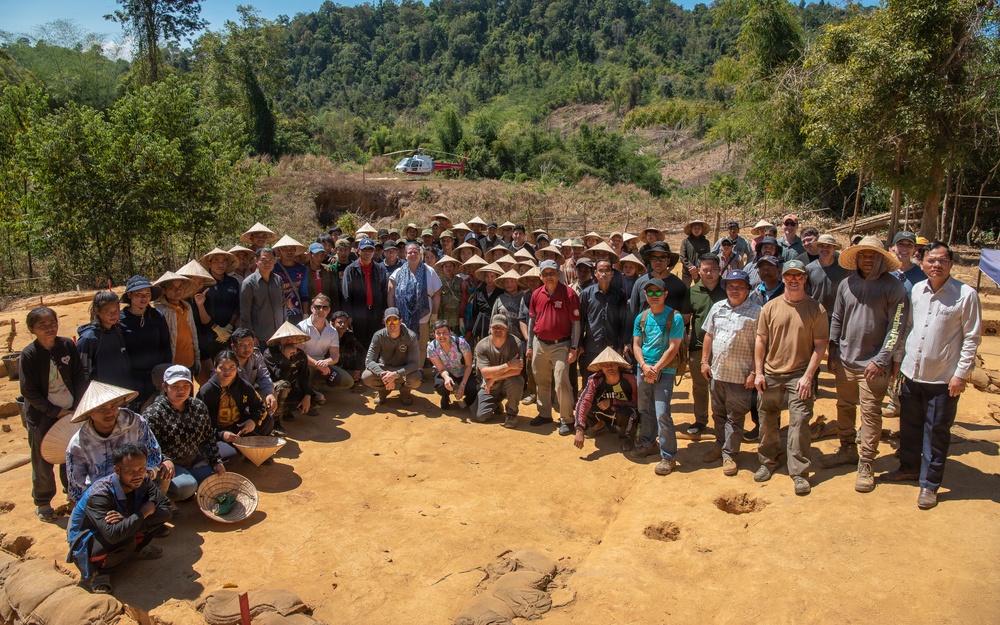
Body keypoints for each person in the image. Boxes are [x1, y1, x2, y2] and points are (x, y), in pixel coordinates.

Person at [883, 241, 981, 509]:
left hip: (943, 378)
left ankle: (929, 485)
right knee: (910, 428)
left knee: (936, 432)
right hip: (912, 374)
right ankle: (909, 468)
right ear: (921, 262)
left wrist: (960, 375)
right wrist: (899, 362)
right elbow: (909, 328)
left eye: (943, 261)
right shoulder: (917, 289)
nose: (936, 265)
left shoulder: (965, 294)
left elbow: (971, 338)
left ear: (951, 264)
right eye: (931, 260)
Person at [823, 236, 907, 493]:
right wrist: (833, 348)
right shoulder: (847, 284)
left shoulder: (894, 289)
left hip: (873, 365)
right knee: (845, 406)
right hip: (845, 360)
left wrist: (881, 360)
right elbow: (837, 317)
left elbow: (896, 328)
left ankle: (867, 462)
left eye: (873, 256)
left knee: (870, 414)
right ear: (856, 258)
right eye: (863, 256)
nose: (868, 260)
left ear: (882, 259)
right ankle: (847, 448)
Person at [753, 259, 828, 496]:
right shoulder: (770, 307)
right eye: (789, 276)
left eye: (798, 276)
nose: (793, 280)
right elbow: (761, 340)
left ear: (805, 279)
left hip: (799, 375)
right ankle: (768, 461)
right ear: (783, 278)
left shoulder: (816, 309)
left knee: (799, 423)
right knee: (767, 420)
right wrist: (759, 372)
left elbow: (820, 346)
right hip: (771, 372)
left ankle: (799, 472)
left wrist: (808, 377)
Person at [67, 442, 172, 595]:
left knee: (152, 522)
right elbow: (112, 534)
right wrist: (141, 513)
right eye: (130, 470)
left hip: (118, 525)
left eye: (141, 469)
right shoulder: (100, 493)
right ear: (117, 470)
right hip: (88, 536)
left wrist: (128, 518)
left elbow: (166, 510)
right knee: (126, 537)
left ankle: (134, 552)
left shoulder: (144, 480)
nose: (137, 475)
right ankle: (100, 572)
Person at [19, 307, 86, 522]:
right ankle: (43, 501)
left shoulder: (66, 345)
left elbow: (78, 376)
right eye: (42, 325)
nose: (49, 328)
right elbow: (28, 391)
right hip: (42, 416)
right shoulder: (29, 354)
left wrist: (77, 406)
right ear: (32, 329)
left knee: (72, 454)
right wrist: (54, 412)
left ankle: (73, 492)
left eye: (52, 323)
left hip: (71, 411)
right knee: (43, 458)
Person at [700, 270, 761, 476]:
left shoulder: (756, 312)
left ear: (747, 289)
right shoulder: (717, 307)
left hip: (741, 376)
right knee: (718, 413)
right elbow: (709, 334)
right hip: (717, 373)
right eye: (731, 286)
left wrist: (754, 371)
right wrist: (704, 362)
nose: (734, 290)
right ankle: (719, 444)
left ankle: (730, 454)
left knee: (735, 417)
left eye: (739, 286)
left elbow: (761, 345)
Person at [66, 381, 166, 503]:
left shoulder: (136, 423)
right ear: (90, 412)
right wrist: (94, 506)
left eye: (113, 406)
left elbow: (153, 454)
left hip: (138, 484)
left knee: (160, 512)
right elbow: (77, 486)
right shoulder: (78, 444)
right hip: (102, 495)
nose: (109, 412)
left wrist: (145, 474)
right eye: (101, 408)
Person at [627, 278, 685, 476]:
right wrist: (644, 366)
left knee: (662, 412)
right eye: (649, 292)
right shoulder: (641, 318)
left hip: (665, 371)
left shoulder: (674, 318)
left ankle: (668, 456)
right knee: (645, 409)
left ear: (665, 294)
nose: (653, 296)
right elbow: (636, 344)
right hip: (643, 369)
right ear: (645, 295)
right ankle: (647, 443)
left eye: (657, 292)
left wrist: (656, 368)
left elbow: (673, 347)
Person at [143, 365, 224, 501]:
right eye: (175, 386)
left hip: (193, 459)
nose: (181, 390)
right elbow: (147, 446)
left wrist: (216, 460)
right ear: (165, 387)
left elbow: (208, 437)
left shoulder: (198, 406)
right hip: (167, 466)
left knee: (217, 480)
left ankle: (192, 475)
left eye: (186, 386)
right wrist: (164, 459)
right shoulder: (154, 413)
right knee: (187, 488)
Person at [527, 260, 582, 435]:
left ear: (558, 274)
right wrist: (529, 345)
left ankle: (567, 419)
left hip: (561, 345)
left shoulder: (569, 294)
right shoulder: (536, 294)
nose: (549, 276)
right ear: (540, 276)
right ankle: (544, 414)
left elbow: (576, 323)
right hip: (540, 343)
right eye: (545, 273)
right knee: (541, 380)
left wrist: (573, 347)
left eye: (552, 273)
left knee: (561, 381)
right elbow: (531, 320)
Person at [680, 254, 727, 439]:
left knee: (721, 387)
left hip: (724, 349)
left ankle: (721, 421)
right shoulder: (692, 292)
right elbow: (685, 319)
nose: (709, 273)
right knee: (699, 386)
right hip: (698, 347)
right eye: (705, 269)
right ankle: (700, 421)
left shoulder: (727, 289)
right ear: (698, 270)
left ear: (719, 270)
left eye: (713, 269)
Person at [198, 350, 272, 459]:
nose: (227, 372)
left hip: (238, 427)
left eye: (232, 368)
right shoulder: (206, 391)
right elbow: (200, 424)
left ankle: (252, 453)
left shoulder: (243, 386)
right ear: (215, 368)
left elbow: (259, 406)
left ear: (237, 368)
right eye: (222, 368)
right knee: (229, 456)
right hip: (216, 432)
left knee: (267, 420)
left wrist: (253, 421)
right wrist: (221, 434)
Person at [388, 242, 442, 375]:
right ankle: (404, 371)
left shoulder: (430, 271)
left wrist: (434, 315)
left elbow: (437, 294)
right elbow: (390, 293)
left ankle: (418, 370)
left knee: (421, 345)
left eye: (415, 252)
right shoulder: (398, 272)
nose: (412, 254)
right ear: (405, 255)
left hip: (423, 316)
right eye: (409, 252)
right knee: (403, 344)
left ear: (420, 254)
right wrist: (392, 314)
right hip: (403, 318)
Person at [572, 347, 638, 451]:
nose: (609, 367)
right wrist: (579, 428)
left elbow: (635, 403)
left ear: (618, 365)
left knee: (626, 413)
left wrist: (613, 402)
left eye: (612, 363)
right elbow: (583, 402)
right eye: (605, 365)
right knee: (587, 403)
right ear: (601, 367)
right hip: (605, 411)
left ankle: (627, 436)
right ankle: (598, 426)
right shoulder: (595, 380)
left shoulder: (630, 379)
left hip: (624, 412)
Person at [119, 276, 171, 405]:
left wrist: (166, 371)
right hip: (132, 379)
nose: (144, 298)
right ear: (129, 295)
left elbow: (165, 345)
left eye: (148, 294)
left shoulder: (157, 316)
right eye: (139, 294)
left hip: (156, 377)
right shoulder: (120, 320)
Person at [195, 248, 242, 384]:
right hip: (207, 335)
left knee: (228, 369)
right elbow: (201, 310)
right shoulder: (203, 284)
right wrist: (216, 329)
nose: (220, 264)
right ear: (209, 264)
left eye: (223, 261)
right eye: (216, 261)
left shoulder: (233, 282)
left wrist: (229, 327)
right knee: (211, 373)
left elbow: (236, 307)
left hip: (228, 334)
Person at [577, 259, 628, 377]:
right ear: (595, 273)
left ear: (612, 273)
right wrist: (579, 345)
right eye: (600, 271)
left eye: (607, 271)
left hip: (612, 347)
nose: (604, 274)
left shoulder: (619, 294)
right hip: (591, 347)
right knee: (589, 382)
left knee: (611, 381)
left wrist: (620, 346)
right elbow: (581, 320)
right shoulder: (587, 294)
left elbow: (623, 322)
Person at [363, 307, 421, 406]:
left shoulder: (411, 337)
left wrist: (395, 374)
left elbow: (415, 364)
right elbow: (369, 361)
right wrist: (383, 374)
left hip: (403, 370)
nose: (392, 324)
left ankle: (405, 392)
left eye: (395, 320)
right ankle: (383, 391)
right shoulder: (378, 336)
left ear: (400, 321)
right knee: (366, 376)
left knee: (416, 377)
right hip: (385, 369)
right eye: (388, 321)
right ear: (384, 322)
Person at [473, 315, 525, 426]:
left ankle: (511, 414)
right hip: (489, 385)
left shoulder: (515, 343)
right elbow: (485, 373)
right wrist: (509, 365)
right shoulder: (482, 345)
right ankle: (496, 403)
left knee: (515, 381)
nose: (498, 330)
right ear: (490, 328)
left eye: (501, 328)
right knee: (481, 416)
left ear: (507, 329)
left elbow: (517, 371)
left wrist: (494, 377)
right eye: (495, 327)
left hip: (504, 382)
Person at [77, 291, 133, 390]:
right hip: (102, 395)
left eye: (116, 311)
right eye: (107, 311)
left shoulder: (117, 331)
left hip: (121, 390)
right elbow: (82, 374)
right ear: (97, 311)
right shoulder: (89, 338)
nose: (113, 315)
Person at [264, 322, 317, 427]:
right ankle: (275, 422)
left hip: (291, 390)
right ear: (279, 340)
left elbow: (304, 377)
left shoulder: (300, 355)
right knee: (284, 384)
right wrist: (286, 356)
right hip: (273, 392)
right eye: (286, 338)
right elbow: (280, 377)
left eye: (292, 338)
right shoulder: (269, 354)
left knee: (318, 399)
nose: (290, 341)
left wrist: (307, 395)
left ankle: (286, 409)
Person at [342, 238, 390, 349]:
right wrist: (348, 315)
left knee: (375, 343)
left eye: (370, 250)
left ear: (374, 251)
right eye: (364, 250)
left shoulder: (380, 269)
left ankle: (373, 365)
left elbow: (384, 292)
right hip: (358, 313)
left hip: (376, 313)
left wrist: (384, 312)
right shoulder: (351, 269)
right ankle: (361, 366)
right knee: (360, 343)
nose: (367, 252)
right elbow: (346, 294)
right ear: (359, 251)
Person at [298, 294, 347, 393]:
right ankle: (307, 389)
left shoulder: (332, 331)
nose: (321, 310)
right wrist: (317, 364)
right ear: (311, 308)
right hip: (304, 365)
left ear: (328, 310)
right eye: (317, 307)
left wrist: (326, 362)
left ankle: (317, 387)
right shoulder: (301, 327)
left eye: (324, 307)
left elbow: (335, 356)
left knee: (347, 381)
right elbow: (299, 354)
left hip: (321, 365)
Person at [153, 272, 200, 374]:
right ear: (164, 291)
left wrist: (197, 357)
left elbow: (193, 332)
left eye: (180, 287)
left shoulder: (187, 306)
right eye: (172, 288)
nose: (178, 290)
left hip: (189, 360)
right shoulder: (161, 310)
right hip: (172, 363)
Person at [239, 247, 285, 346]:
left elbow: (283, 306)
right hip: (260, 339)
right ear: (256, 260)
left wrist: (285, 330)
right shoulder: (248, 283)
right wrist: (251, 336)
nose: (267, 263)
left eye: (271, 260)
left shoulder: (278, 280)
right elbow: (245, 313)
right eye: (263, 260)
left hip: (279, 335)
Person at [229, 327, 279, 417]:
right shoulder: (228, 361)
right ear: (233, 347)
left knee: (270, 393)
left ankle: (269, 421)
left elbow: (264, 376)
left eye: (250, 344)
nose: (247, 349)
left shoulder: (255, 355)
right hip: (234, 397)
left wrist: (269, 393)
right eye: (242, 345)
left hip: (250, 393)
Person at [629, 241, 686, 319]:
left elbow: (684, 316)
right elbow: (633, 313)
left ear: (668, 261)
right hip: (644, 330)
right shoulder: (639, 283)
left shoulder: (679, 286)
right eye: (654, 258)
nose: (658, 262)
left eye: (662, 258)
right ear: (650, 260)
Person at [427, 319, 475, 410]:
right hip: (446, 371)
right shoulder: (431, 348)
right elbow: (441, 368)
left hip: (463, 370)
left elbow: (468, 365)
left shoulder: (461, 343)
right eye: (438, 333)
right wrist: (446, 378)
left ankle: (467, 401)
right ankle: (445, 397)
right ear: (434, 335)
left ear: (450, 332)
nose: (442, 336)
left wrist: (463, 384)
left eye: (444, 332)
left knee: (473, 387)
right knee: (441, 385)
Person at [805, 234, 849, 315]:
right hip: (815, 314)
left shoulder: (843, 268)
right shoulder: (809, 269)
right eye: (821, 246)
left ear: (834, 248)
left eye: (829, 246)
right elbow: (805, 292)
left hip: (838, 315)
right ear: (817, 248)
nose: (825, 249)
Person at [272, 236, 309, 325]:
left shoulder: (301, 269)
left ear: (295, 250)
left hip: (297, 313)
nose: (289, 252)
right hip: (278, 313)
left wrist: (305, 314)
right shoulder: (274, 269)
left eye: (292, 249)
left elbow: (304, 293)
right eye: (285, 249)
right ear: (280, 250)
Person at [305, 242, 341, 314]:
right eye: (316, 255)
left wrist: (335, 312)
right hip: (310, 311)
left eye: (321, 255)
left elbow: (334, 293)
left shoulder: (327, 270)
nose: (319, 258)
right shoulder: (304, 271)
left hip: (326, 310)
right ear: (309, 255)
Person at [436, 256, 466, 334]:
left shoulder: (460, 281)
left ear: (454, 267)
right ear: (442, 268)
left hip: (458, 318)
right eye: (446, 266)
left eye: (450, 266)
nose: (448, 268)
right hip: (444, 318)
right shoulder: (438, 282)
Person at [680, 219, 711, 286]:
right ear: (691, 229)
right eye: (694, 228)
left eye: (699, 228)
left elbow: (706, 257)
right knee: (685, 291)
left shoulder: (706, 242)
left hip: (700, 271)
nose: (696, 230)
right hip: (687, 272)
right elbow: (682, 256)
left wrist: (697, 268)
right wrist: (690, 267)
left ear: (702, 229)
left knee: (701, 291)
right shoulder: (686, 241)